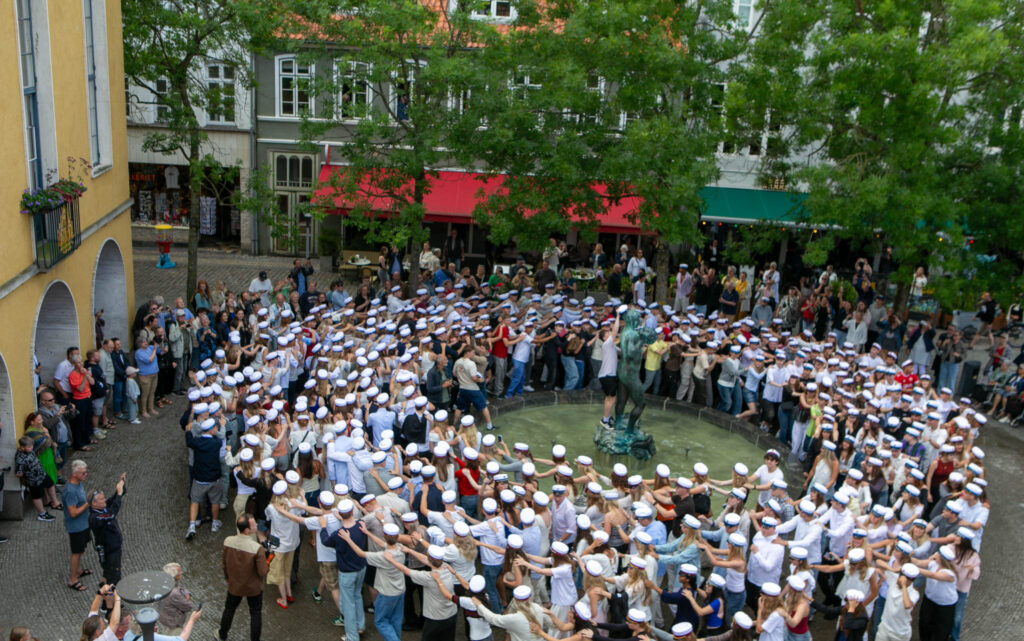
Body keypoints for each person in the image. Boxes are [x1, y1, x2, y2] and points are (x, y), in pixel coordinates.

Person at [218, 514, 268, 641]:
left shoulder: (228, 541)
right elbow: (262, 572)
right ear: (247, 530)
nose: (256, 525)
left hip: (234, 585)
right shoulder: (257, 548)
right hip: (253, 588)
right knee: (255, 614)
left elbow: (224, 564)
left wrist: (228, 579)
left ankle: (222, 634)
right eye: (254, 524)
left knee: (229, 610)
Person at [88, 472, 127, 600]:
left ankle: (103, 594)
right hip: (109, 551)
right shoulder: (95, 517)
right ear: (93, 504)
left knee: (107, 575)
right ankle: (110, 603)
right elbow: (112, 513)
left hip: (113, 548)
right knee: (114, 578)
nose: (104, 500)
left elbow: (114, 499)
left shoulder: (103, 507)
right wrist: (119, 494)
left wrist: (121, 486)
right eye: (101, 499)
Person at [62, 459, 92, 592]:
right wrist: (88, 503)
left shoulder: (78, 484)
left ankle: (78, 570)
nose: (85, 475)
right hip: (76, 527)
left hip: (83, 524)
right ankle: (73, 579)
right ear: (75, 474)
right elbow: (73, 513)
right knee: (76, 552)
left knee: (80, 550)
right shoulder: (70, 491)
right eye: (83, 473)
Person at [14, 434, 58, 521]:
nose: (31, 448)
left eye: (32, 446)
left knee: (50, 484)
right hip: (33, 480)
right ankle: (42, 514)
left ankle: (53, 501)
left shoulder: (29, 451)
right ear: (22, 447)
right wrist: (28, 474)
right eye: (29, 446)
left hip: (42, 474)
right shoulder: (20, 458)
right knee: (36, 496)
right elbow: (18, 473)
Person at [159, 562, 195, 636]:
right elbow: (188, 606)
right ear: (174, 575)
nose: (181, 572)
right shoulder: (174, 593)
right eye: (179, 571)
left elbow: (182, 587)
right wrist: (187, 597)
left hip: (165, 619)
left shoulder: (166, 584)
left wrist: (187, 594)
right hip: (173, 624)